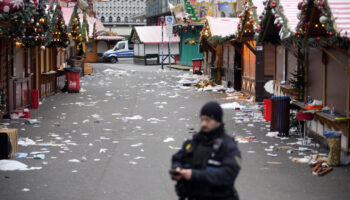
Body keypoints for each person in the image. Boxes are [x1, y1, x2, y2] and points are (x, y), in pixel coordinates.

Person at [170, 101, 241, 200]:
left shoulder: (228, 146)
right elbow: (178, 158)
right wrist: (177, 169)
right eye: (202, 119)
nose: (203, 124)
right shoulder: (194, 142)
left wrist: (194, 175)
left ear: (218, 121)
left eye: (208, 120)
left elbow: (227, 174)